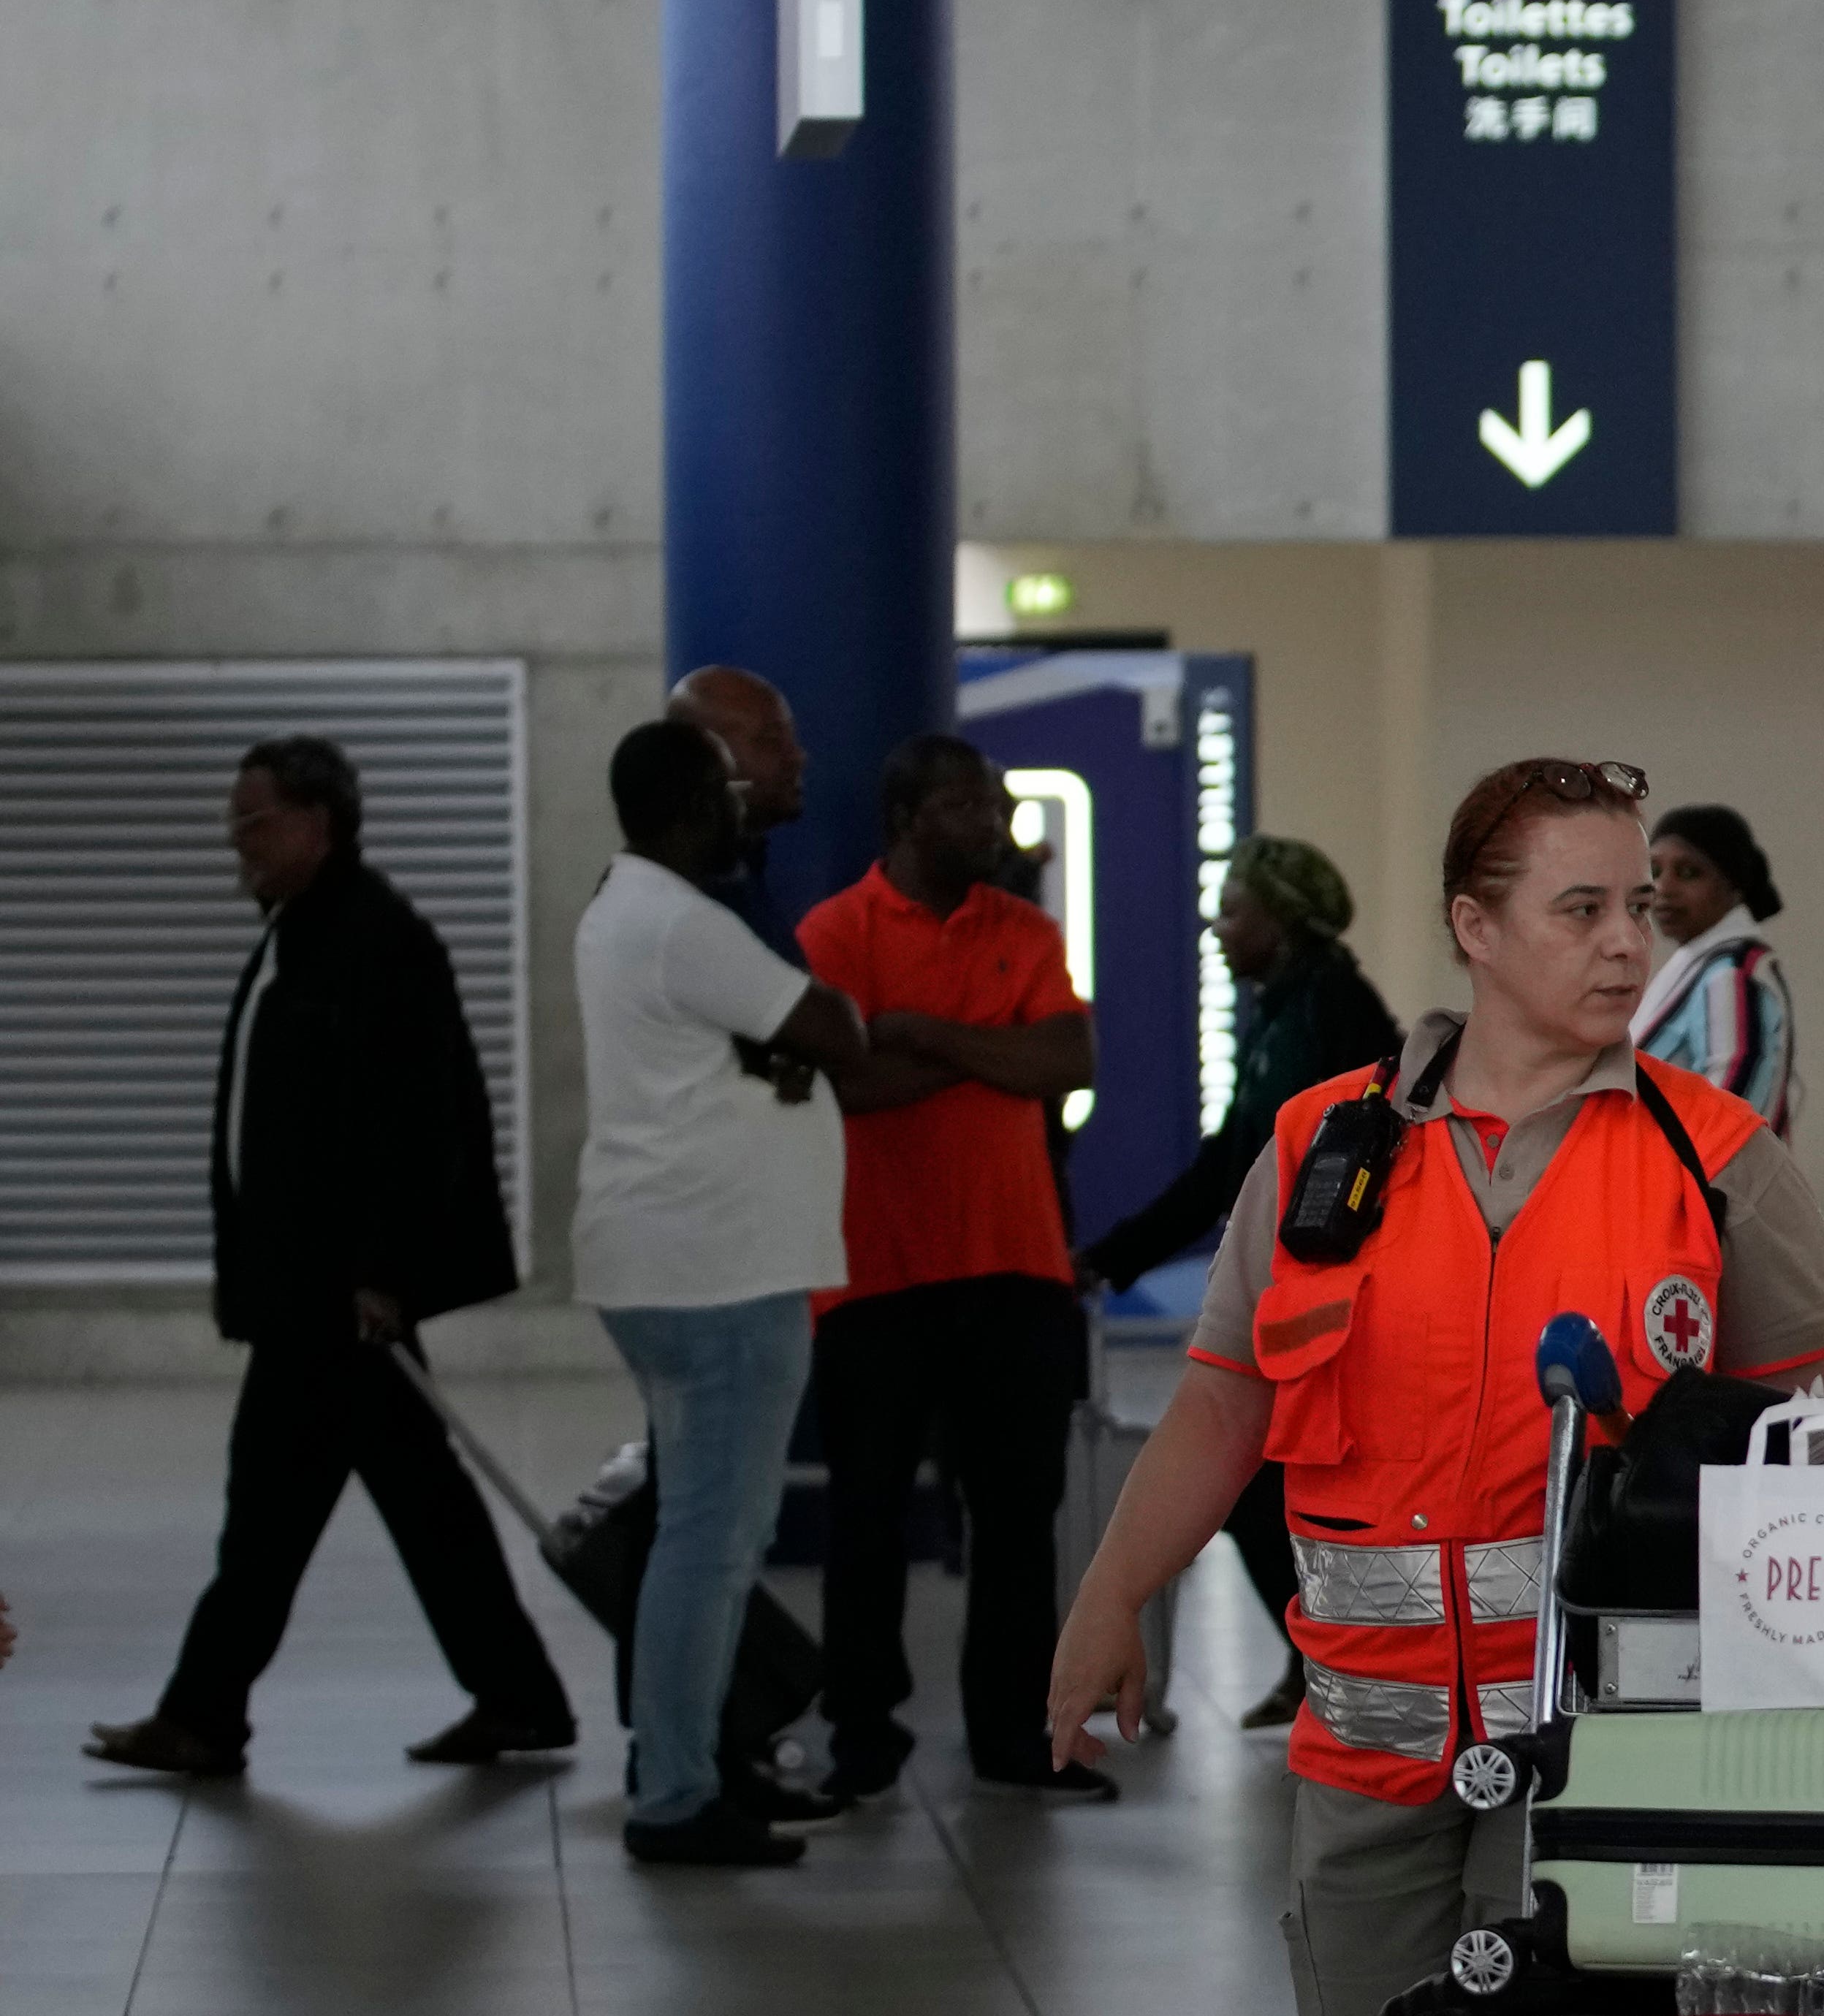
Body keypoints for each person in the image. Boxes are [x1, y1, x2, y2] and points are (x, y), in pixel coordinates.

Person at [1052, 761, 1824, 2016]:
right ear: (1474, 928)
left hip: (1608, 1766)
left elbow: (1810, 1470)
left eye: (1638, 907)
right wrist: (1108, 1600)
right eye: (1579, 906)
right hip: (1367, 1763)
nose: (1623, 942)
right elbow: (1221, 1397)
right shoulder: (1323, 1145)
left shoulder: (1719, 1164)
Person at [88, 737, 574, 1782]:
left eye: (255, 822)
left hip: (340, 1299)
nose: (239, 841)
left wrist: (384, 1275)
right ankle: (521, 1697)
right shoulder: (303, 932)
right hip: (313, 1292)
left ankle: (204, 1714)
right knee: (407, 1501)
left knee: (271, 1510)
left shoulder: (375, 940)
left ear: (318, 823)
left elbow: (422, 1122)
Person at [571, 718, 876, 1867]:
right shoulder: (683, 920)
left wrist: (776, 1048)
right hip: (718, 1274)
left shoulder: (622, 906)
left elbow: (771, 1043)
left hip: (669, 1262)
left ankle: (693, 1766)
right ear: (699, 803)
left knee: (696, 1537)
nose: (750, 810)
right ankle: (679, 1794)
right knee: (710, 1541)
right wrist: (797, 1041)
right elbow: (835, 1028)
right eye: (735, 792)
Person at [801, 737, 1102, 1805]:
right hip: (875, 1275)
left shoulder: (1025, 929)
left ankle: (1014, 1738)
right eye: (969, 806)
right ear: (908, 817)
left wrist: (925, 1032)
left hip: (1015, 1268)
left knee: (1017, 1517)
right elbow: (844, 1084)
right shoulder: (834, 933)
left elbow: (1067, 1063)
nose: (994, 824)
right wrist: (991, 1049)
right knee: (868, 1515)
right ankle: (863, 1735)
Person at [1074, 836, 1400, 1729]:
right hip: (1310, 1294)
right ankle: (1322, 1663)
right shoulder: (1287, 1010)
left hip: (1338, 1301)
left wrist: (1114, 1252)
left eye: (1232, 909)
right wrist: (1116, 1252)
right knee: (1260, 1490)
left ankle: (1333, 1665)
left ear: (1280, 918)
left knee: (1259, 1487)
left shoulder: (1327, 1013)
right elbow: (1234, 1163)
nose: (1217, 929)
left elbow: (1280, 1168)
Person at [1638, 802, 1800, 1137]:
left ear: (1734, 883)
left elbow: (1730, 1116)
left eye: (1688, 873)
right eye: (1654, 872)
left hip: (1701, 1186)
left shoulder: (1734, 974)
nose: (1663, 888)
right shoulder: (1701, 964)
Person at [669, 666, 811, 954]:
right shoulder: (684, 903)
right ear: (707, 757)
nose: (798, 757)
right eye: (771, 741)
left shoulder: (741, 871)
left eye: (791, 740)